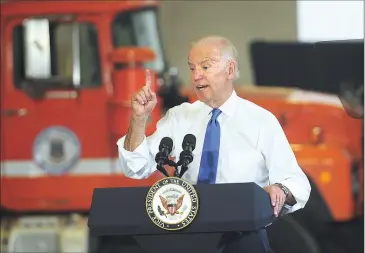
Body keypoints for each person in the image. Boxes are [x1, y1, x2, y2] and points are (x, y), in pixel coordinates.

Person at [117, 35, 311, 253]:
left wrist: (281, 189)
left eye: (205, 66)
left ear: (230, 70)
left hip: (243, 237)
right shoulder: (179, 117)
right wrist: (139, 119)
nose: (196, 76)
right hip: (185, 235)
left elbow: (297, 182)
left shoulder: (261, 121)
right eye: (191, 68)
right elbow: (135, 167)